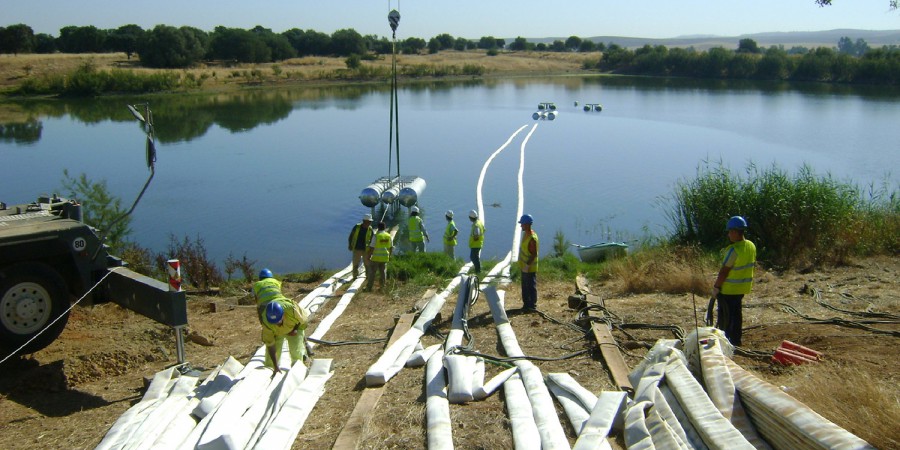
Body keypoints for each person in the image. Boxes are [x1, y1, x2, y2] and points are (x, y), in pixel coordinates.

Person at [712, 215, 756, 347]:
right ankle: (736, 340)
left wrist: (716, 287)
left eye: (730, 232)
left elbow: (724, 271)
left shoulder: (733, 250)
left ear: (736, 232)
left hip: (728, 290)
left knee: (725, 317)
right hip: (742, 288)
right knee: (736, 315)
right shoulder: (751, 246)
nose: (729, 235)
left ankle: (725, 342)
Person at [260, 298, 310, 373]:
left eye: (279, 321)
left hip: (293, 327)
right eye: (275, 322)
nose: (277, 323)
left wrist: (295, 329)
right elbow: (270, 344)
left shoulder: (291, 310)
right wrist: (275, 366)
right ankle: (270, 370)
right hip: (277, 332)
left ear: (283, 314)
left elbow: (303, 321)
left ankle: (297, 370)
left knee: (296, 350)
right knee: (270, 360)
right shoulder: (266, 322)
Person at [518, 214, 540, 311]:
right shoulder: (525, 234)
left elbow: (533, 254)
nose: (521, 226)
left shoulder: (532, 238)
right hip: (524, 267)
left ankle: (531, 306)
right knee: (525, 287)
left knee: (530, 287)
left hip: (529, 268)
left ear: (527, 225)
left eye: (522, 224)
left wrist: (527, 266)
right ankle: (526, 305)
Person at [366, 221, 393, 292]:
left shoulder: (376, 236)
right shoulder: (388, 235)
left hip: (376, 258)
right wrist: (390, 255)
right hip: (384, 258)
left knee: (372, 273)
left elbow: (372, 247)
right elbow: (391, 247)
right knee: (383, 273)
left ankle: (369, 288)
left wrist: (368, 256)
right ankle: (382, 288)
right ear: (385, 228)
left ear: (378, 228)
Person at [348, 213, 374, 278]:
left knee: (367, 264)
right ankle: (355, 276)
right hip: (357, 249)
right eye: (368, 222)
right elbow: (351, 236)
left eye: (370, 222)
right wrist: (350, 245)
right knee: (355, 263)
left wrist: (371, 251)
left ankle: (368, 276)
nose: (369, 223)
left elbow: (372, 241)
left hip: (366, 250)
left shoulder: (370, 229)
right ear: (364, 221)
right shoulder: (357, 227)